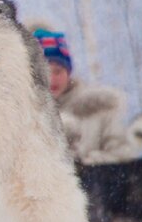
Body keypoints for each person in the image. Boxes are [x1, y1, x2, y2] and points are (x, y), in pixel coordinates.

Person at [31, 26, 136, 164]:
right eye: (46, 72)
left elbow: (123, 155)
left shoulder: (100, 109)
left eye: (58, 71)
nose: (52, 79)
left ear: (68, 72)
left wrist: (88, 166)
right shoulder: (27, 116)